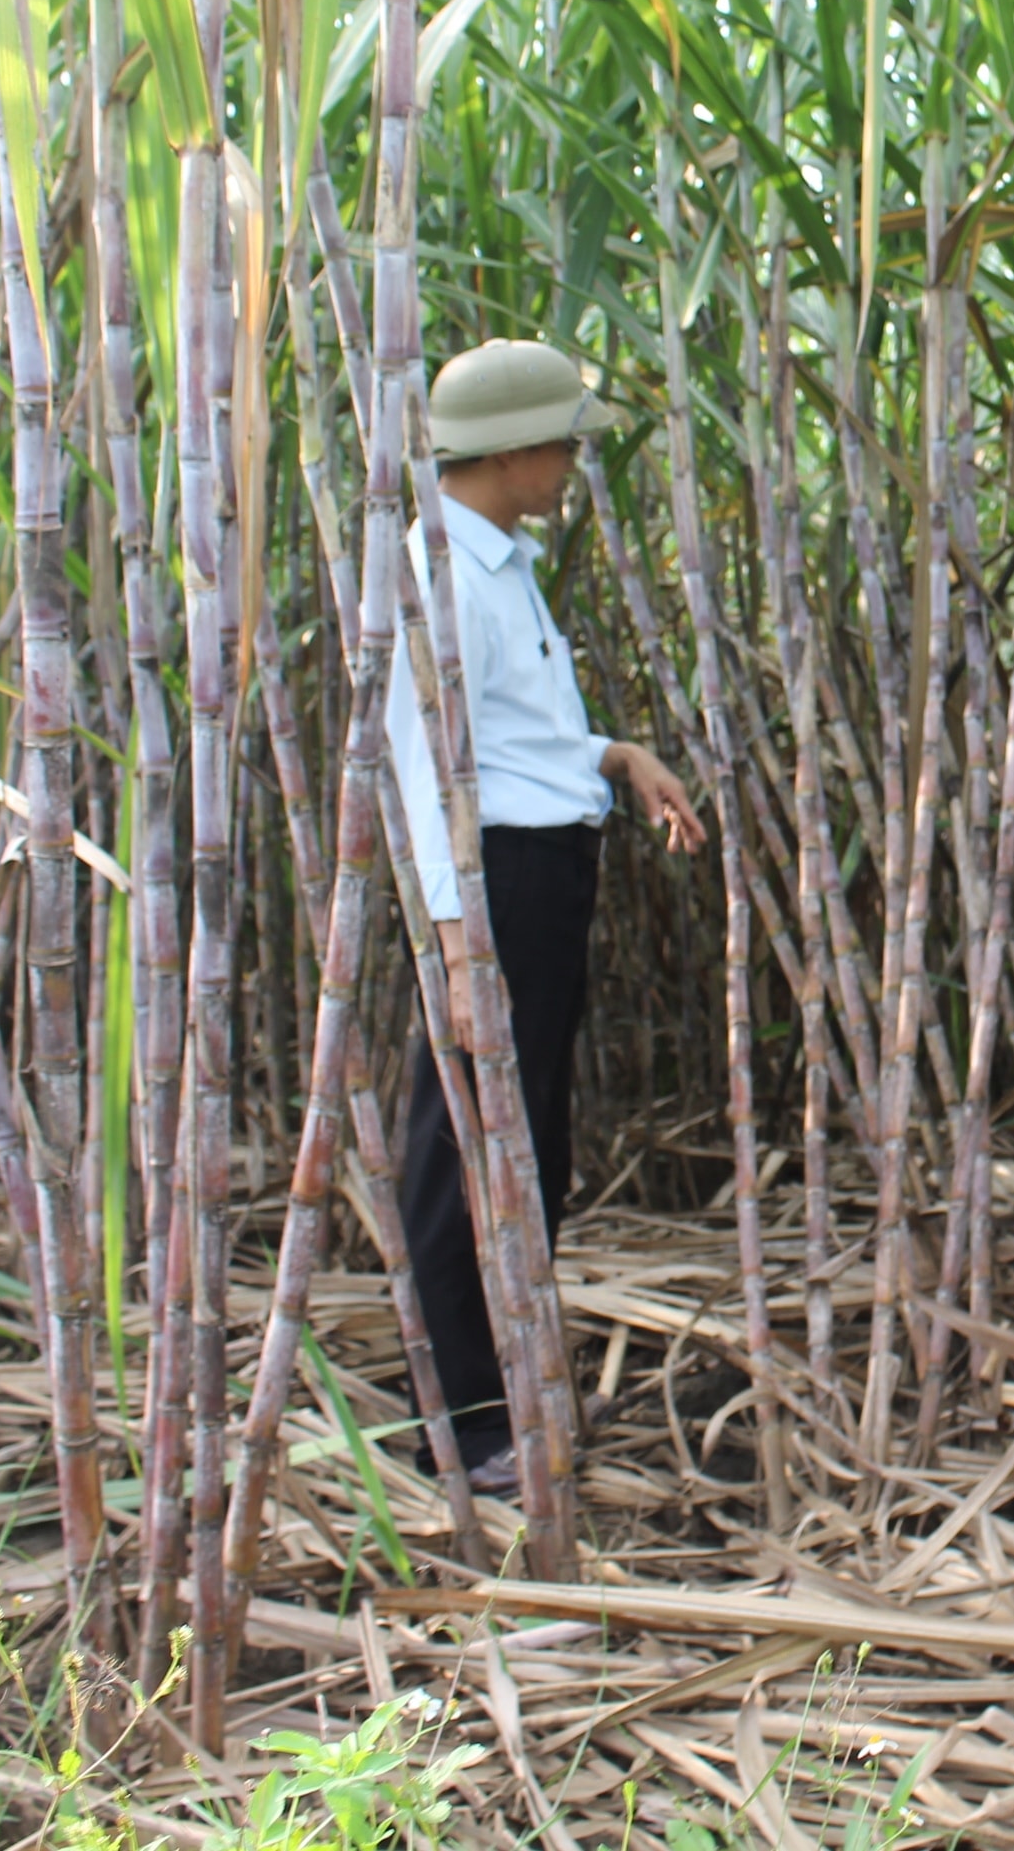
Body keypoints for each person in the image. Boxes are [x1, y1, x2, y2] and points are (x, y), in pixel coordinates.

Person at [385, 337, 707, 1493]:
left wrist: (615, 753)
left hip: (533, 868)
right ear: (509, 449)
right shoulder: (439, 572)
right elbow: (420, 761)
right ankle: (465, 1422)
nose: (574, 457)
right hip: (491, 885)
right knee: (463, 1136)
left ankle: (503, 1383)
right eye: (563, 438)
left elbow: (512, 737)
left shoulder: (499, 559)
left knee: (526, 1133)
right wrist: (453, 928)